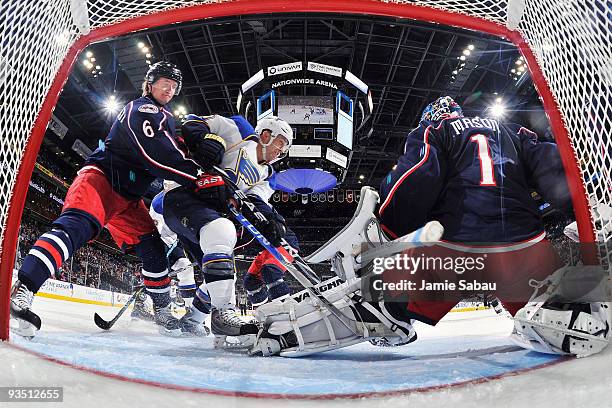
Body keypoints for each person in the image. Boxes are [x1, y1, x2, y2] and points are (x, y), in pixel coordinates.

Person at [250, 96, 609, 357]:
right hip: (524, 246)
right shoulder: (509, 131)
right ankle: (561, 314)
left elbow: (416, 179)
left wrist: (388, 231)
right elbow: (553, 167)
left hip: (457, 251)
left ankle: (286, 335)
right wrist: (580, 209)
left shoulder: (435, 129)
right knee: (537, 302)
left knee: (380, 309)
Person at [10, 61, 226, 338]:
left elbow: (177, 148)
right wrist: (198, 175)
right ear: (150, 84)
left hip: (129, 199)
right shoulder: (143, 109)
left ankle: (161, 309)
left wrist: (204, 144)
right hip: (101, 180)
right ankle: (24, 288)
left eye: (174, 86)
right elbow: (159, 156)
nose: (170, 89)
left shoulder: (166, 120)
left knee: (153, 249)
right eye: (165, 83)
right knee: (76, 228)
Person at [160, 114, 298, 345]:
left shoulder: (269, 177)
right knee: (223, 231)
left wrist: (270, 221)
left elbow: (255, 202)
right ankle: (223, 313)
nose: (280, 153)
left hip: (208, 215)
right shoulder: (241, 130)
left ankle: (193, 321)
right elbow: (191, 122)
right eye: (281, 144)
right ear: (266, 135)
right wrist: (209, 139)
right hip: (185, 196)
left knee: (219, 270)